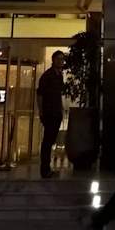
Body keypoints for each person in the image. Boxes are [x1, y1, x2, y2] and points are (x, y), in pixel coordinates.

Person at [36, 50, 65, 179]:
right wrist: (41, 111)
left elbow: (58, 94)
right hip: (49, 112)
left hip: (56, 112)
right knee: (47, 141)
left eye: (62, 59)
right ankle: (45, 169)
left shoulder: (59, 76)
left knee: (51, 140)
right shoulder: (47, 76)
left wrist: (61, 108)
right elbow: (40, 94)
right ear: (53, 60)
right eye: (58, 59)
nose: (61, 61)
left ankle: (47, 168)